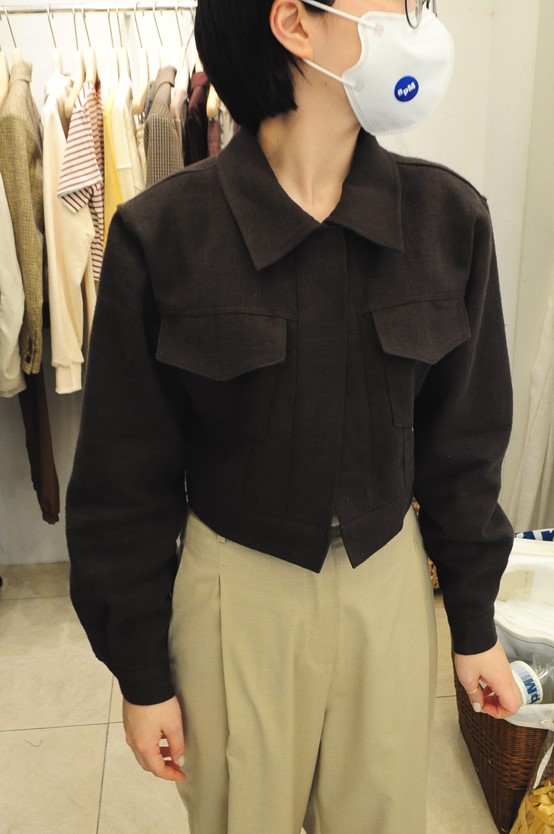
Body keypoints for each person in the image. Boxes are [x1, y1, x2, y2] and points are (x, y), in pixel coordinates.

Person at [66, 1, 523, 832]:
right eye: (399, 3)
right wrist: (142, 673)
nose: (418, 19)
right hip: (234, 594)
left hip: (388, 584)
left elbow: (465, 448)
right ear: (295, 24)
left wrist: (473, 621)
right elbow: (122, 481)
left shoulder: (449, 221)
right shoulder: (162, 237)